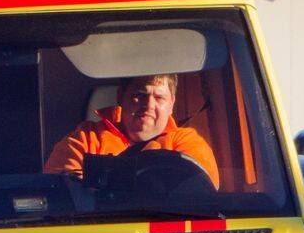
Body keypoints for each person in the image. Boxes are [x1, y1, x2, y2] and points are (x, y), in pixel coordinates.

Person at [44, 73, 219, 187]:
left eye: (159, 97)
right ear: (121, 96)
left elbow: (199, 195)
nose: (148, 105)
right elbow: (61, 189)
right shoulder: (87, 138)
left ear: (171, 104)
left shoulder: (188, 142)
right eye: (140, 95)